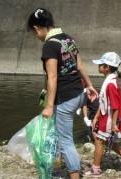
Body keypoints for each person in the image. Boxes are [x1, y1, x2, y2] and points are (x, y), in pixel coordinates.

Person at [27, 8, 98, 179]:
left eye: (34, 32)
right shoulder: (67, 38)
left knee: (66, 140)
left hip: (65, 98)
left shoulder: (50, 46)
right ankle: (58, 163)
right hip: (79, 94)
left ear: (37, 28)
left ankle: (74, 176)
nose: (36, 36)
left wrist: (49, 106)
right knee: (61, 134)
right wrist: (89, 85)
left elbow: (52, 77)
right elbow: (79, 65)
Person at [85, 52, 121, 177]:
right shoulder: (109, 80)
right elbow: (103, 102)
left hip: (111, 119)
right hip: (106, 116)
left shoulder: (110, 84)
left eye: (100, 65)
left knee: (99, 141)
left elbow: (115, 106)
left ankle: (96, 169)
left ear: (107, 67)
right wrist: (96, 117)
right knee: (115, 146)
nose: (98, 67)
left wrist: (114, 124)